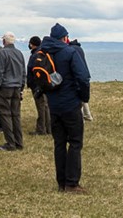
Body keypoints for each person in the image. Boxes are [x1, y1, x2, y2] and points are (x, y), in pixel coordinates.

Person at [40, 23, 91, 193]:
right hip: (70, 103)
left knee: (59, 143)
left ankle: (61, 182)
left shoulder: (43, 53)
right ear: (65, 38)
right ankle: (72, 183)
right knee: (75, 142)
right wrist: (84, 97)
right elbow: (83, 77)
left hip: (53, 105)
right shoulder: (70, 52)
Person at [0, 32, 26, 151]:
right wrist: (21, 86)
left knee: (5, 115)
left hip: (5, 87)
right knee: (15, 115)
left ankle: (10, 143)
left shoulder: (2, 53)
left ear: (4, 41)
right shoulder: (19, 53)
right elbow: (23, 71)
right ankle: (19, 142)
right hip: (16, 87)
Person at [27, 36, 50, 135]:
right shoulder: (44, 54)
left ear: (32, 44)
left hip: (37, 85)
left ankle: (41, 129)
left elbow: (30, 70)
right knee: (45, 106)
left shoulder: (34, 56)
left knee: (41, 106)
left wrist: (30, 83)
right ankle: (49, 128)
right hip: (45, 83)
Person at [71, 38, 94, 121]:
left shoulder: (72, 50)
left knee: (78, 97)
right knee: (83, 96)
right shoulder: (80, 49)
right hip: (84, 74)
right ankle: (88, 115)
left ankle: (81, 117)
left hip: (78, 75)